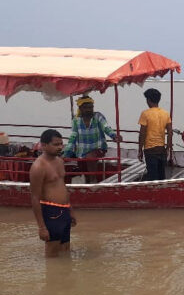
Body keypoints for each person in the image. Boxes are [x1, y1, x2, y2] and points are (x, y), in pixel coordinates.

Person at [29, 129, 77, 257]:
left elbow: (62, 186)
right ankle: (52, 276)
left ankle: (64, 276)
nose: (60, 147)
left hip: (64, 210)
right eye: (56, 144)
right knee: (52, 253)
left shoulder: (59, 161)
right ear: (44, 145)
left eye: (61, 144)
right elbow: (34, 197)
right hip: (51, 212)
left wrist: (70, 210)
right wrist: (41, 227)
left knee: (66, 249)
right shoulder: (39, 167)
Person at [63, 96, 122, 183]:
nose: (89, 110)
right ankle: (88, 184)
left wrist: (114, 136)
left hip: (98, 148)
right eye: (86, 108)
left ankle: (93, 180)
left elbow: (106, 127)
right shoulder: (76, 120)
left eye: (91, 107)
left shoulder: (98, 116)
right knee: (83, 168)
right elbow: (73, 136)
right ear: (80, 108)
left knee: (90, 156)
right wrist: (66, 153)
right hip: (82, 151)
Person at [138, 88, 173, 181]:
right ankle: (163, 193)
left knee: (153, 177)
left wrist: (140, 150)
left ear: (149, 100)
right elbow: (170, 132)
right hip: (162, 150)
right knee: (162, 176)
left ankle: (155, 194)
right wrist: (168, 148)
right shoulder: (165, 113)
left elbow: (142, 133)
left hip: (150, 150)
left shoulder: (145, 114)